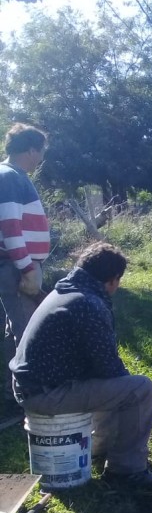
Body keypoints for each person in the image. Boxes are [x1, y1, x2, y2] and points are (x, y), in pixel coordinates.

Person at [10, 242, 152, 486]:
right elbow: (109, 369)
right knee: (138, 389)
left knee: (113, 385)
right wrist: (125, 383)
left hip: (33, 387)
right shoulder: (88, 303)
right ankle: (126, 470)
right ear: (113, 279)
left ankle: (100, 447)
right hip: (46, 394)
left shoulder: (65, 291)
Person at [0, 124, 50, 406]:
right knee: (28, 333)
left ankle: (21, 392)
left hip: (19, 266)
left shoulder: (12, 176)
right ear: (31, 149)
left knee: (23, 329)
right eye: (41, 152)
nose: (41, 158)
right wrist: (27, 268)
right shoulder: (9, 176)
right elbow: (10, 227)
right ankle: (29, 399)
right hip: (17, 268)